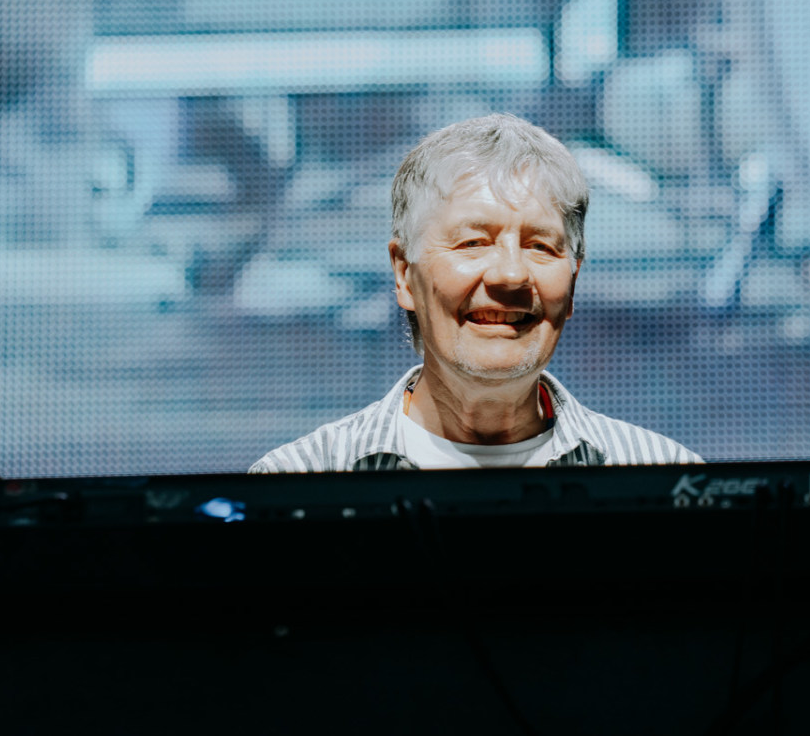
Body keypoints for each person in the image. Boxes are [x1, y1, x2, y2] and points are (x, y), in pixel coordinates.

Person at [251, 114, 701, 471]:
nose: (511, 275)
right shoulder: (294, 480)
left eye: (540, 246)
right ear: (404, 275)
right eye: (473, 243)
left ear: (573, 282)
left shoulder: (670, 479)